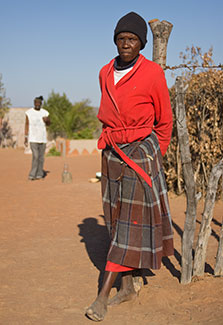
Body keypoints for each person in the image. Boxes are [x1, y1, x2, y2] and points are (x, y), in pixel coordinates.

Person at [86, 12, 174, 321]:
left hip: (140, 153)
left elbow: (165, 121)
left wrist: (152, 156)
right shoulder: (104, 72)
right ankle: (128, 287)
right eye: (122, 38)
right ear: (115, 40)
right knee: (115, 220)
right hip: (111, 152)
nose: (126, 43)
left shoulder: (152, 73)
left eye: (133, 39)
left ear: (141, 44)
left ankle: (102, 297)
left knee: (127, 225)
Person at [24, 96, 50, 180]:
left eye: (39, 103)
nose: (37, 104)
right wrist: (26, 137)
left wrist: (47, 121)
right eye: (36, 103)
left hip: (42, 138)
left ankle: (39, 174)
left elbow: (49, 124)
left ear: (41, 104)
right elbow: (27, 124)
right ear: (34, 103)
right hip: (33, 138)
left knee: (41, 157)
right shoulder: (29, 112)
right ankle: (32, 175)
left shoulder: (45, 112)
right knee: (35, 156)